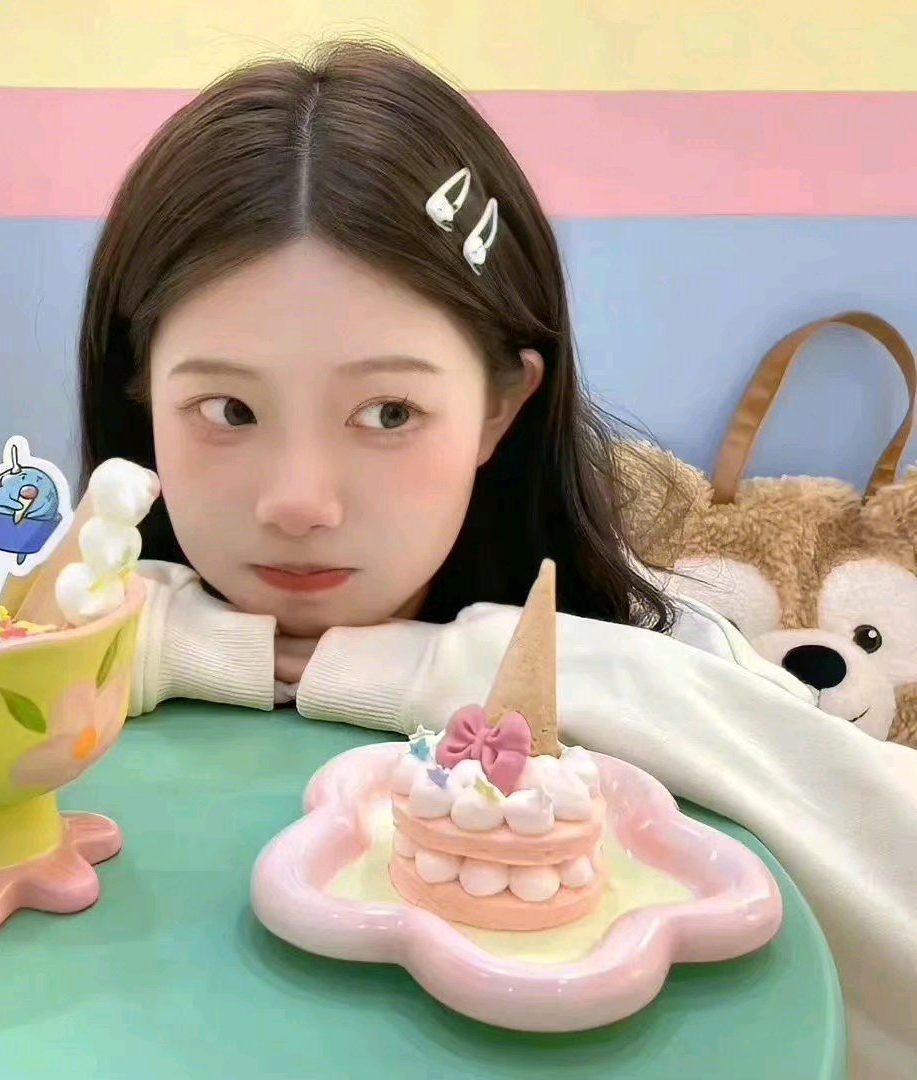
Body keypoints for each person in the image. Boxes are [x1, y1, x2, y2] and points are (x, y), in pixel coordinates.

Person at [78, 42, 915, 1079]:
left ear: (499, 407)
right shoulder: (45, 658)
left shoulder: (659, 670)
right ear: (141, 393)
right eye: (228, 409)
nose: (299, 502)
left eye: (390, 412)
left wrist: (438, 668)